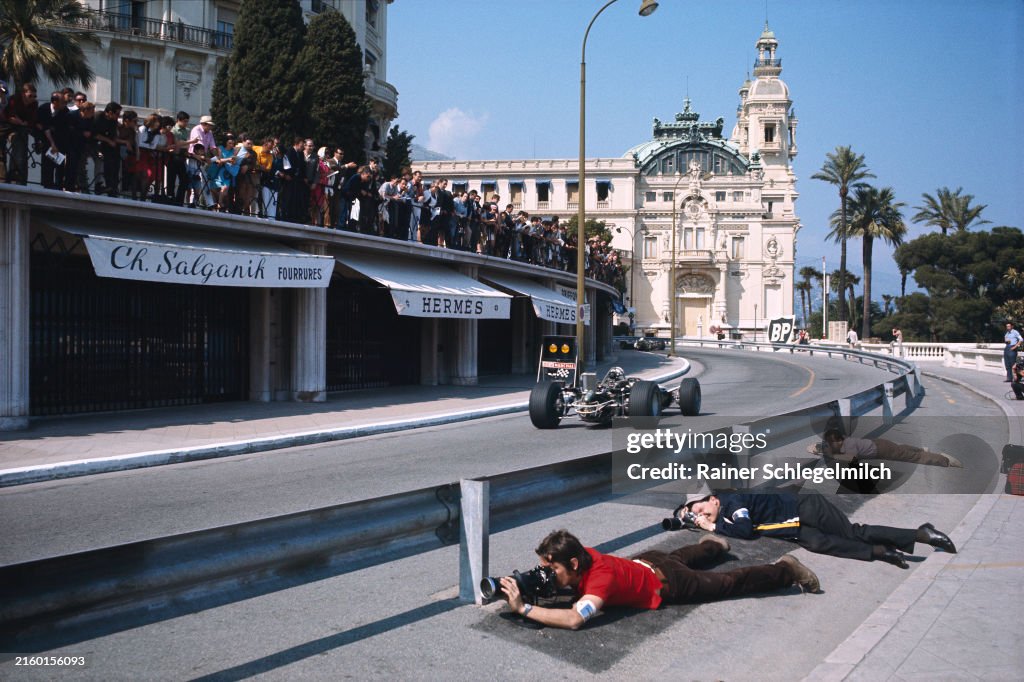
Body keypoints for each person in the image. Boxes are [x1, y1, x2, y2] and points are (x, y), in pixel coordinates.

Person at [498, 529, 819, 630]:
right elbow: (566, 577)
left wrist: (523, 608)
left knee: (728, 583)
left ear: (572, 562)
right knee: (685, 554)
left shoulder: (600, 580)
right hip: (649, 560)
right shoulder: (582, 555)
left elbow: (573, 620)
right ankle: (715, 544)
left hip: (670, 582)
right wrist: (534, 580)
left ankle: (786, 570)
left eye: (551, 569)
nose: (547, 575)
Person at [679, 490, 956, 569]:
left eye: (701, 508)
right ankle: (882, 552)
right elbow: (742, 530)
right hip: (794, 528)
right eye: (697, 515)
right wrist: (690, 518)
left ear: (711, 499)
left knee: (851, 533)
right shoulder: (723, 514)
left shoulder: (731, 502)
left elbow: (746, 530)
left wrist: (713, 526)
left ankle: (920, 534)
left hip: (806, 508)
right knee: (825, 544)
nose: (701, 514)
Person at [819, 428, 962, 468]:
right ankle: (921, 449)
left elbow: (851, 458)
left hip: (882, 449)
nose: (831, 446)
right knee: (901, 450)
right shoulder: (842, 439)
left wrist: (832, 456)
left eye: (832, 443)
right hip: (878, 444)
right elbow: (830, 446)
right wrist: (822, 448)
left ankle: (945, 460)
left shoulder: (849, 444)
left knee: (910, 457)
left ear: (839, 441)